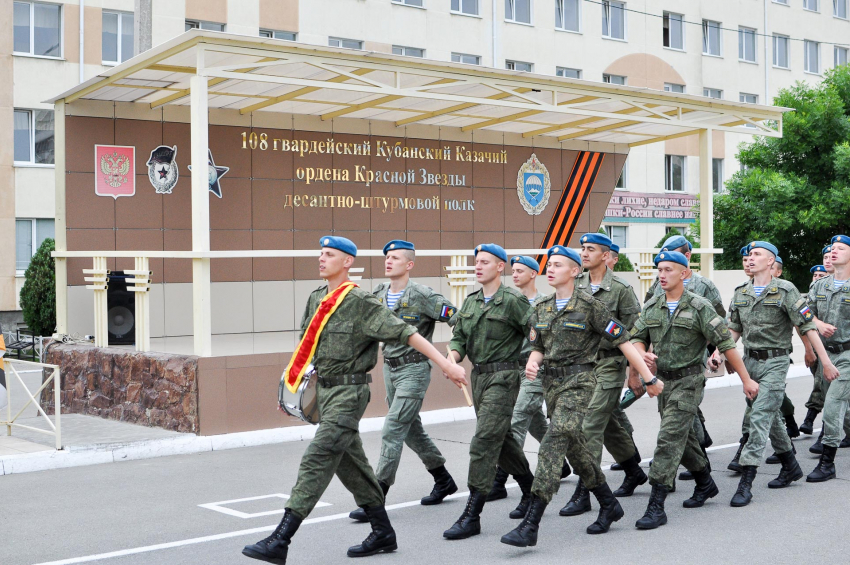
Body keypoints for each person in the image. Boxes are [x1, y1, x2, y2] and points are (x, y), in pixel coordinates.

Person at [242, 236, 467, 565]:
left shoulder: (361, 301)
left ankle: (281, 539)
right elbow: (308, 345)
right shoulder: (318, 297)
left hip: (350, 393)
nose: (321, 259)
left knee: (318, 457)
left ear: (347, 262)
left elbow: (406, 333)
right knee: (353, 466)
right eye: (320, 253)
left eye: (329, 254)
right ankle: (382, 532)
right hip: (326, 391)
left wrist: (446, 363)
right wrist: (291, 390)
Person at [500, 245, 661, 548]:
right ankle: (609, 503)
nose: (551, 269)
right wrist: (534, 362)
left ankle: (530, 524)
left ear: (574, 271)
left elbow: (625, 342)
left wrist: (648, 377)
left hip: (580, 383)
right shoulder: (542, 307)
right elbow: (538, 346)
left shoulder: (590, 306)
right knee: (577, 451)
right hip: (552, 386)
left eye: (558, 265)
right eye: (549, 265)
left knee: (552, 444)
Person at [629, 251, 756, 530]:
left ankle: (656, 505)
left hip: (689, 381)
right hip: (663, 383)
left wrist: (746, 380)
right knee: (683, 438)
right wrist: (643, 358)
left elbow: (726, 343)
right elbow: (636, 338)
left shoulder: (699, 306)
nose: (662, 275)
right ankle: (705, 482)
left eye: (669, 270)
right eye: (659, 270)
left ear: (684, 274)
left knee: (668, 437)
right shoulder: (652, 306)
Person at [347, 240, 459, 523]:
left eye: (395, 258)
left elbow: (456, 319)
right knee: (411, 430)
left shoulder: (422, 295)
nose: (388, 261)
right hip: (390, 370)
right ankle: (443, 479)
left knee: (393, 429)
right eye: (387, 257)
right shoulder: (379, 294)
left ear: (409, 264)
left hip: (415, 369)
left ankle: (375, 498)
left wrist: (454, 355)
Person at [723, 241, 836, 507]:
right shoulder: (741, 292)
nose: (751, 259)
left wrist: (825, 361)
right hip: (750, 363)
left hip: (775, 363)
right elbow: (734, 329)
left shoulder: (786, 290)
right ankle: (790, 464)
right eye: (749, 255)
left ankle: (746, 482)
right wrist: (721, 352)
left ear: (771, 262)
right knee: (772, 416)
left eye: (757, 255)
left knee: (759, 417)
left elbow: (808, 326)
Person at [443, 244, 535, 540]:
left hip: (504, 377)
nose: (478, 267)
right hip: (479, 378)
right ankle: (530, 489)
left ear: (500, 267)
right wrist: (452, 360)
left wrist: (533, 359)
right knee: (502, 438)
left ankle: (472, 514)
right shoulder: (470, 302)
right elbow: (458, 338)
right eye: (476, 262)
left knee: (483, 441)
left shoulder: (513, 300)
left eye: (484, 262)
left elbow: (536, 333)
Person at [559, 233, 644, 521]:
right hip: (581, 365)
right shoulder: (576, 285)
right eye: (582, 248)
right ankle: (633, 470)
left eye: (591, 249)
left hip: (609, 364)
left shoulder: (621, 289)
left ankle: (585, 491)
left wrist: (635, 374)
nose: (584, 253)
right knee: (608, 425)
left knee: (589, 426)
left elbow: (636, 334)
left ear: (606, 256)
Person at [488, 255, 571, 513]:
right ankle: (561, 464)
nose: (514, 275)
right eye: (513, 271)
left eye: (520, 270)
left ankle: (501, 479)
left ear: (534, 274)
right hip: (514, 369)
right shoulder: (511, 302)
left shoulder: (545, 304)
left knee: (517, 419)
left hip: (537, 370)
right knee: (535, 420)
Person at [807, 235, 850, 482]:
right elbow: (803, 311)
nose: (834, 252)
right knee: (841, 405)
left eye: (841, 249)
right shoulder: (819, 285)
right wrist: (818, 323)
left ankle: (827, 463)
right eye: (832, 248)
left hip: (848, 355)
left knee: (833, 405)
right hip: (827, 353)